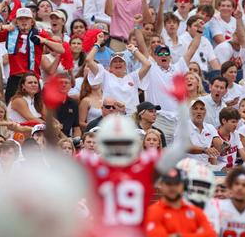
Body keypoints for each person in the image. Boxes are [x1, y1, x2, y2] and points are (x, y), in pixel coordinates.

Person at [77, 86, 191, 235]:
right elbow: (182, 145)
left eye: (123, 143)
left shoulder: (91, 164)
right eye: (114, 143)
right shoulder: (145, 164)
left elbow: (54, 160)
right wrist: (181, 104)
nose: (118, 149)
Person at [0, 8, 64, 103]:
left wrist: (44, 41)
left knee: (36, 109)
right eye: (21, 19)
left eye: (27, 18)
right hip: (15, 78)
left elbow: (61, 49)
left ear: (32, 21)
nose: (24, 21)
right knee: (11, 108)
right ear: (16, 21)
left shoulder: (39, 33)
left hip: (33, 78)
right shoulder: (10, 32)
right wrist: (1, 27)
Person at [86, 32, 151, 115]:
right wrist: (98, 43)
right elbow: (88, 60)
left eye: (121, 61)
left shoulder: (133, 77)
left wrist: (134, 50)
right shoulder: (105, 75)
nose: (118, 63)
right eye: (114, 62)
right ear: (110, 66)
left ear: (125, 66)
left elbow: (147, 64)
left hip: (131, 118)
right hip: (111, 116)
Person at [145, 167, 217, 237]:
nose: (172, 187)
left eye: (176, 183)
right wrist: (196, 234)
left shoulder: (196, 212)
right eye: (168, 183)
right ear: (161, 185)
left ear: (184, 185)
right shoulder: (152, 212)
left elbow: (211, 235)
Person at [212, 107, 245, 171]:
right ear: (224, 121)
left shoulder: (235, 133)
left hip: (232, 170)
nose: (236, 125)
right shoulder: (214, 136)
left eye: (237, 122)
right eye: (233, 122)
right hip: (218, 172)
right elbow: (212, 162)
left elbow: (242, 152)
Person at [186, 99, 219, 167]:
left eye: (201, 109)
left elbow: (219, 146)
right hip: (187, 167)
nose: (199, 112)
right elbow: (186, 147)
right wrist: (205, 150)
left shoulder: (210, 127)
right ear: (190, 112)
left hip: (205, 167)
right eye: (195, 109)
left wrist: (225, 145)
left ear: (205, 112)